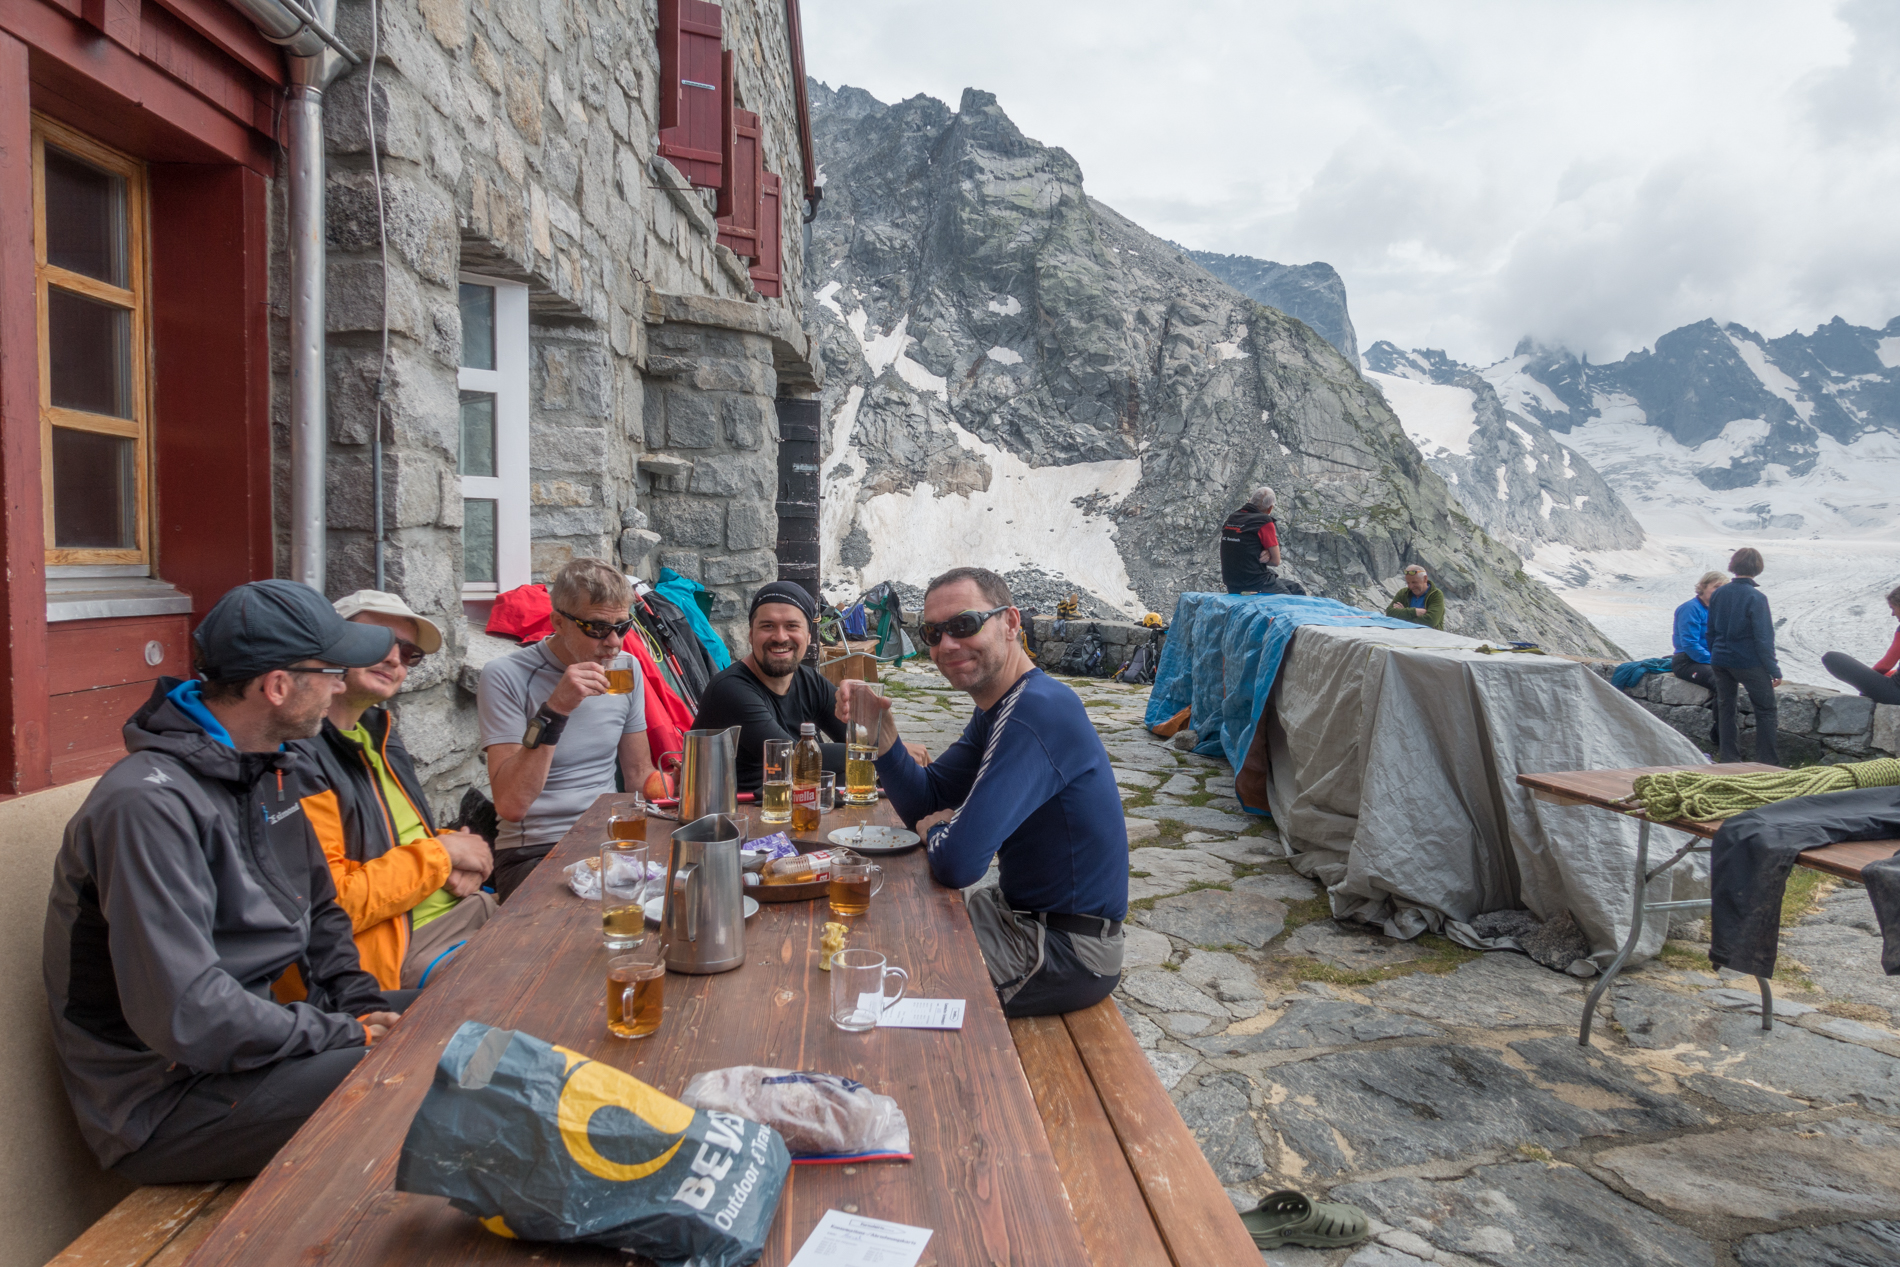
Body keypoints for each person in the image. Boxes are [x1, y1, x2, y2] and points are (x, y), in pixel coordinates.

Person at [44, 580, 406, 1184]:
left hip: (254, 1050)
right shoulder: (146, 806)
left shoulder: (269, 766)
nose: (341, 686)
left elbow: (320, 911)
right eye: (330, 673)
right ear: (277, 686)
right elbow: (191, 1014)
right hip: (165, 1104)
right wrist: (343, 1032)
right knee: (411, 1075)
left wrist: (360, 1005)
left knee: (453, 1014)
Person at [839, 566, 1127, 1018]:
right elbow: (928, 800)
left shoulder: (1039, 711)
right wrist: (882, 734)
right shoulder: (1003, 708)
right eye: (933, 633)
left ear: (1010, 622)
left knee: (868, 988)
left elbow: (958, 862)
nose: (946, 645)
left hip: (1063, 949)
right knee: (873, 937)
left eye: (964, 624)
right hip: (1017, 919)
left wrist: (939, 831)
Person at [294, 590, 497, 991]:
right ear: (330, 644)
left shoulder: (379, 735)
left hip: (466, 912)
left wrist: (464, 854)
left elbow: (398, 839)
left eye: (408, 653)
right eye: (377, 641)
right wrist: (444, 855)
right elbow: (330, 905)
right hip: (403, 953)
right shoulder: (299, 754)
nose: (394, 659)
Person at [478, 558, 654, 900]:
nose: (614, 642)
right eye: (598, 628)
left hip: (608, 840)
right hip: (537, 849)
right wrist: (556, 709)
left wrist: (687, 786)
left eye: (623, 626)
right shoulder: (506, 675)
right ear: (558, 622)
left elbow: (637, 775)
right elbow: (511, 804)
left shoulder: (625, 668)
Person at [693, 581, 848, 793]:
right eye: (768, 626)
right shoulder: (729, 689)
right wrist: (873, 753)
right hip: (736, 809)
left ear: (809, 636)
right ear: (750, 635)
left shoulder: (810, 681)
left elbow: (858, 737)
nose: (780, 637)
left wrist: (865, 714)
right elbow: (791, 758)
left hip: (790, 804)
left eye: (792, 626)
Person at [1708, 547, 1782, 765]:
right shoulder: (1756, 597)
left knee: (1726, 707)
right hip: (1747, 661)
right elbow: (1763, 638)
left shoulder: (1719, 593)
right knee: (1766, 709)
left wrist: (1716, 653)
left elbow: (1710, 630)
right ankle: (1766, 762)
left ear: (1734, 565)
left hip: (1720, 659)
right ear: (1758, 568)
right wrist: (1774, 669)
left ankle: (1729, 758)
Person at [1821, 584, 1900, 707]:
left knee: (1831, 658)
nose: (1893, 614)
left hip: (1895, 694)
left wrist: (1868, 684)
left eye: (1893, 608)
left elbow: (1886, 664)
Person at [1219, 485, 1304, 595]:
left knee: (1295, 588)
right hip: (1255, 582)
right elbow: (1276, 561)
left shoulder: (1232, 518)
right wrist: (1267, 554)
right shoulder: (1264, 521)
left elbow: (1242, 544)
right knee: (1292, 598)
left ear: (1249, 501)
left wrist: (1262, 551)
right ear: (1270, 509)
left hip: (1232, 584)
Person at [1671, 571, 1725, 693]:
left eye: (1722, 589)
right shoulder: (1690, 608)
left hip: (1711, 659)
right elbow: (1690, 644)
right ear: (1702, 586)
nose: (1719, 592)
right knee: (1721, 680)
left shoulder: (1718, 610)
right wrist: (1716, 661)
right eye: (1716, 587)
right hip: (1687, 661)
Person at [1384, 565, 1445, 630]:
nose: (1410, 586)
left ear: (1425, 579)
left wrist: (1403, 614)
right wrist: (1415, 612)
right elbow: (1389, 613)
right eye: (1408, 583)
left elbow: (1431, 621)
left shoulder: (1436, 594)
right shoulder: (1403, 593)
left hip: (1430, 635)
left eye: (1414, 582)